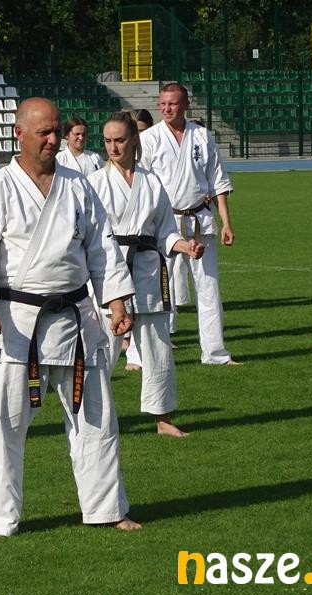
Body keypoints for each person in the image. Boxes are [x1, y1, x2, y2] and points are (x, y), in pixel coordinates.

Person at [0, 97, 141, 537]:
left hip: (76, 318)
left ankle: (106, 508)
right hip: (17, 322)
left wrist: (117, 301)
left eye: (56, 130)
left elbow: (102, 249)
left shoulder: (78, 186)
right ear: (19, 134)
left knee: (96, 419)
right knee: (3, 424)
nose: (52, 139)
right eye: (43, 132)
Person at [88, 111, 204, 437]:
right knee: (102, 348)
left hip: (148, 269)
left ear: (134, 140)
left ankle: (163, 419)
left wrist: (185, 246)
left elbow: (165, 231)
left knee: (157, 348)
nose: (113, 147)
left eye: (119, 140)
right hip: (110, 271)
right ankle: (94, 418)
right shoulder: (95, 183)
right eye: (107, 141)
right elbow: (88, 235)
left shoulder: (152, 181)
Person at [139, 82, 239, 365]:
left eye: (172, 103)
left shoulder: (202, 136)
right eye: (162, 104)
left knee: (209, 288)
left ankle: (215, 353)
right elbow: (141, 185)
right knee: (158, 288)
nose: (166, 109)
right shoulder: (149, 139)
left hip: (199, 220)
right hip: (164, 222)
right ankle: (149, 351)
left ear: (185, 105)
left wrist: (226, 223)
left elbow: (218, 181)